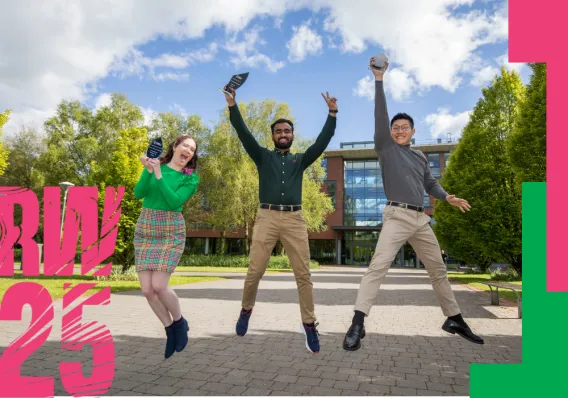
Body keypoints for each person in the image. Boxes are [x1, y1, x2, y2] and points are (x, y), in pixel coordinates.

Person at [342, 57, 484, 351]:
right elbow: (380, 116)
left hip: (421, 220)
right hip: (395, 216)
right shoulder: (385, 147)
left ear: (413, 131)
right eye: (396, 127)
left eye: (404, 127)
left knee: (438, 269)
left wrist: (447, 197)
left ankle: (454, 318)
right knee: (377, 267)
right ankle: (357, 322)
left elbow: (429, 184)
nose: (399, 130)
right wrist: (379, 80)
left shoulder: (420, 157)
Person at [222, 85, 337, 354]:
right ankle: (246, 310)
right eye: (278, 131)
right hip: (266, 217)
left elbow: (321, 142)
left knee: (303, 275)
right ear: (273, 136)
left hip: (295, 219)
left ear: (292, 136)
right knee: (255, 271)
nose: (283, 134)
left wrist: (332, 114)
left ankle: (308, 324)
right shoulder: (262, 156)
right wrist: (232, 105)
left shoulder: (300, 159)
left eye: (287, 131)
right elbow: (243, 133)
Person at [133, 134, 200, 359]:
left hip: (170, 229)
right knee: (146, 290)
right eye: (185, 146)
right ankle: (170, 330)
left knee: (160, 286)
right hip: (146, 226)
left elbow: (174, 201)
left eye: (192, 149)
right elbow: (138, 193)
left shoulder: (190, 179)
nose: (188, 151)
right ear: (175, 146)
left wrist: (159, 175)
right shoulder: (154, 166)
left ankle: (180, 323)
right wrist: (149, 171)